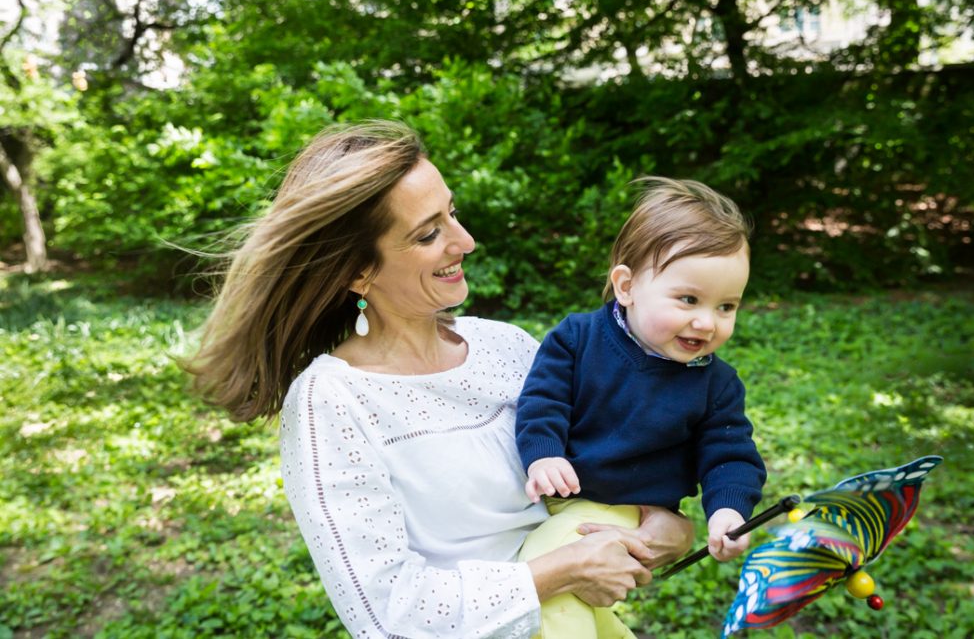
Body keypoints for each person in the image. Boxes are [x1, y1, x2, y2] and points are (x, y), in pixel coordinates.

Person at [186, 120, 695, 638]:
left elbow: (596, 476)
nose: (466, 241)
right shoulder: (332, 401)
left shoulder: (509, 347)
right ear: (359, 273)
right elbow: (385, 616)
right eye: (429, 233)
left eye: (452, 214)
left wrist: (661, 525)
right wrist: (561, 571)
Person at [515, 178, 767, 638]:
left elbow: (729, 455)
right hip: (557, 495)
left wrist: (728, 510)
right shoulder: (577, 338)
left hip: (625, 509)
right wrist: (544, 452)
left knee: (547, 573)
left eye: (727, 306)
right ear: (627, 286)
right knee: (586, 611)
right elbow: (542, 398)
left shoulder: (716, 384)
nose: (706, 322)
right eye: (688, 299)